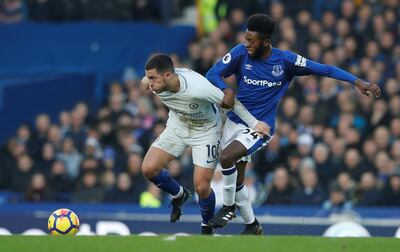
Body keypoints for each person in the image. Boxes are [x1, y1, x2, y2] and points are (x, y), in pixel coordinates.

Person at [206, 13, 381, 234]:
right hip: (233, 123)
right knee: (237, 179)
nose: (246, 44)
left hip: (260, 127)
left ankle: (228, 207)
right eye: (246, 38)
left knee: (226, 157)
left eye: (252, 41)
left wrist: (357, 81)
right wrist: (226, 89)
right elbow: (212, 73)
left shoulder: (285, 61)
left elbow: (324, 69)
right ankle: (252, 226)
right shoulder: (240, 53)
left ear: (266, 42)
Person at [140, 54, 270, 234]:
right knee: (148, 169)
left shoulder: (199, 88)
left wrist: (254, 123)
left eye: (153, 78)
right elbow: (144, 81)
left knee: (201, 187)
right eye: (149, 77)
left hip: (206, 131)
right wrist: (145, 81)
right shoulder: (154, 83)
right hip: (177, 126)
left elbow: (232, 103)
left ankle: (207, 226)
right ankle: (179, 194)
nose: (150, 82)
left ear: (168, 76)